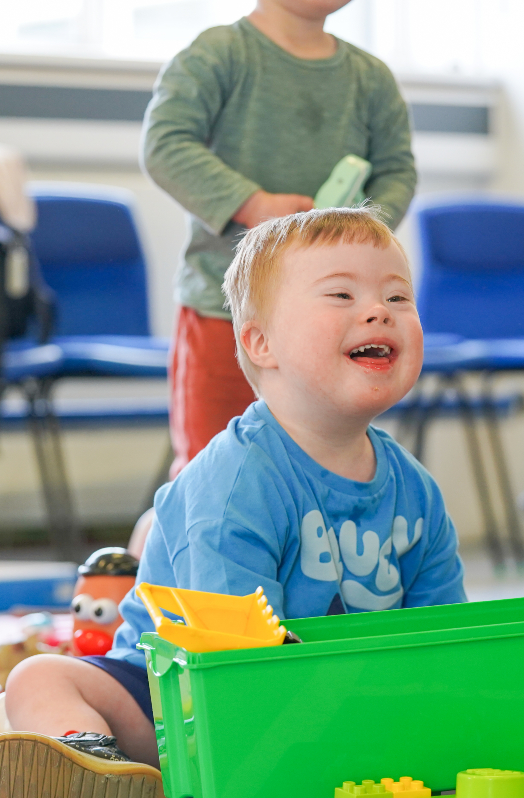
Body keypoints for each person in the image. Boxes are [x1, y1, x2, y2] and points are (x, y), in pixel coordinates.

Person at [0, 208, 467, 798]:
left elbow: (446, 640)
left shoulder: (416, 492)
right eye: (342, 294)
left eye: (398, 295)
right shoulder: (236, 480)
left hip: (341, 710)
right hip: (177, 705)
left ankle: (46, 739)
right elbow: (233, 655)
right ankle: (89, 757)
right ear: (261, 342)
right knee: (40, 676)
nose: (380, 311)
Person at [142, 0, 416, 480]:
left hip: (334, 324)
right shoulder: (219, 53)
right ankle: (160, 546)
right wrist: (255, 205)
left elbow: (396, 170)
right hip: (221, 313)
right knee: (210, 471)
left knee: (316, 471)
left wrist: (354, 234)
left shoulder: (370, 77)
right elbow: (165, 144)